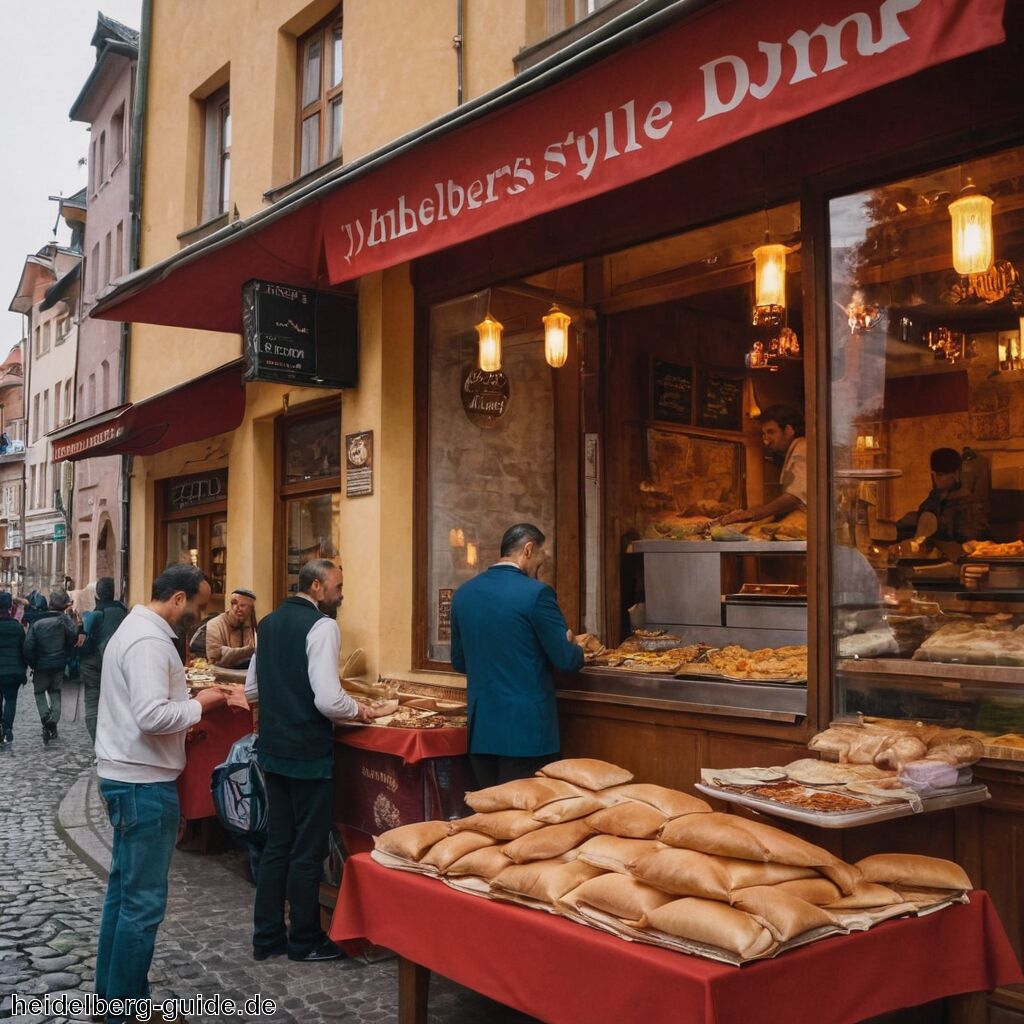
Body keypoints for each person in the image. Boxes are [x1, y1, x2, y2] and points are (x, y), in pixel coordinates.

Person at [94, 564, 227, 1023]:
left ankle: (110, 1000)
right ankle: (124, 1011)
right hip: (142, 784)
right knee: (142, 904)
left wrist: (178, 730)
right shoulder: (151, 641)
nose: (199, 615)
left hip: (129, 774)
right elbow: (151, 715)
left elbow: (141, 716)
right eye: (199, 606)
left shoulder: (135, 630)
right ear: (177, 599)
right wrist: (201, 704)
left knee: (123, 894)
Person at [244, 558, 374, 963]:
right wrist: (361, 710)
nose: (341, 593)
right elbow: (328, 699)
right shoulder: (322, 626)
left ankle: (267, 937)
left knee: (277, 844)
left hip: (273, 749)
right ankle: (303, 938)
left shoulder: (267, 623)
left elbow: (252, 688)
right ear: (316, 587)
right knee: (307, 848)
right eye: (337, 584)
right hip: (307, 753)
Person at [450, 523, 585, 789]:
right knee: (526, 822)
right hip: (527, 735)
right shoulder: (537, 594)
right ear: (528, 549)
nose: (540, 568)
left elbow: (459, 662)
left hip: (482, 733)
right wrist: (574, 647)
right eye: (541, 560)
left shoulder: (464, 594)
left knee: (491, 819)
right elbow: (567, 661)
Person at [717, 404, 807, 525]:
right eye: (764, 434)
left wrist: (754, 513)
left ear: (788, 430)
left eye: (771, 432)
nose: (766, 440)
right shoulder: (796, 448)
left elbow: (795, 497)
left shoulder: (802, 448)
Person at [896, 447, 989, 544]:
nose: (936, 478)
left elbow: (970, 538)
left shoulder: (969, 503)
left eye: (941, 474)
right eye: (934, 474)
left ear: (956, 474)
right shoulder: (935, 496)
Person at [24, 591, 78, 742]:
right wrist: (66, 653)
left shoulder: (37, 623)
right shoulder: (64, 621)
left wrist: (33, 663)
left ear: (50, 604)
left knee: (39, 692)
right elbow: (73, 635)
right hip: (59, 664)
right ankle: (52, 721)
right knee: (55, 692)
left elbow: (28, 647)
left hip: (41, 665)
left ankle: (45, 718)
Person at [79, 577, 129, 742]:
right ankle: (117, 740)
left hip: (95, 664)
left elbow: (83, 640)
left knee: (93, 704)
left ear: (97, 594)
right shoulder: (124, 611)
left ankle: (98, 742)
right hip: (120, 663)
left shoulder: (95, 614)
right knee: (118, 702)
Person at [205, 587, 257, 669]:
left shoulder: (253, 624)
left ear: (251, 609)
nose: (237, 608)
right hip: (221, 675)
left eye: (242, 605)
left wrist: (228, 652)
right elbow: (215, 657)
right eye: (234, 603)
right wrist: (249, 651)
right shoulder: (215, 624)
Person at [0, 592, 27, 745]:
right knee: (11, 700)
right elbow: (25, 649)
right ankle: (8, 729)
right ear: (9, 608)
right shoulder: (17, 628)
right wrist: (25, 667)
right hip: (13, 671)